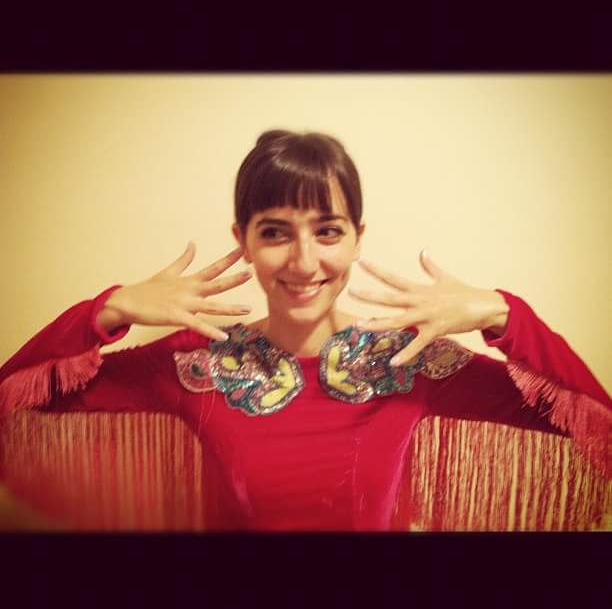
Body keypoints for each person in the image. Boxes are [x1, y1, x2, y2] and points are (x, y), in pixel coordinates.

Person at [0, 129, 610, 531]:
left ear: (357, 239)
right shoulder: (196, 362)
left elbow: (597, 425)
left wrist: (506, 315)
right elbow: (14, 399)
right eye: (274, 232)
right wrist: (106, 312)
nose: (303, 261)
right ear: (242, 240)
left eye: (327, 231)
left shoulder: (410, 359)